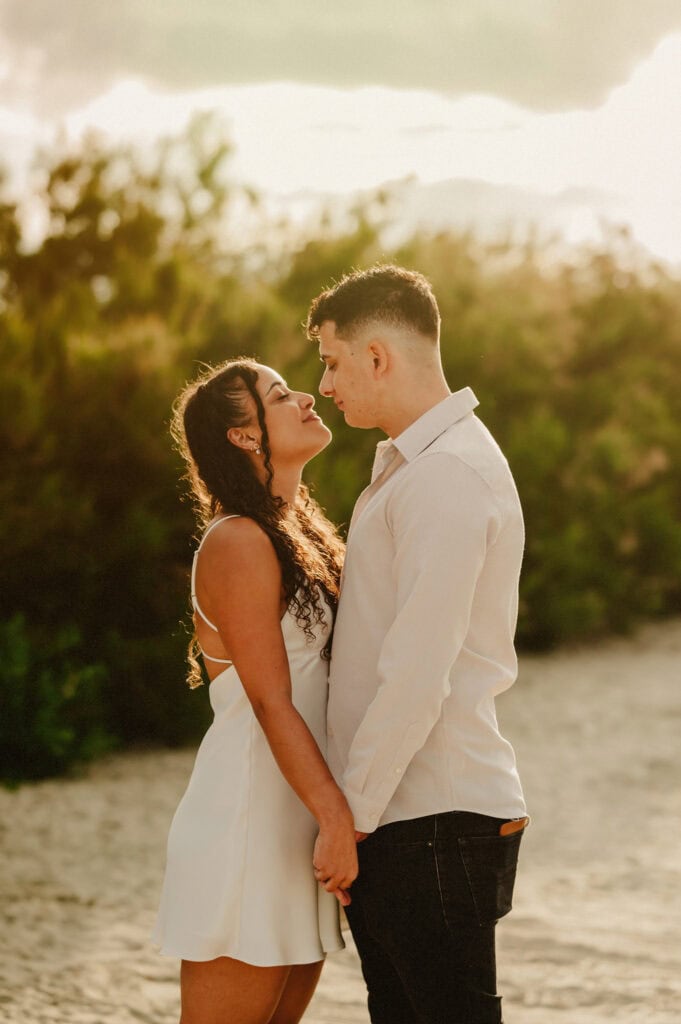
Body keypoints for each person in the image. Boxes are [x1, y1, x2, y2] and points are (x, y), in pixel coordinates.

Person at [306, 265, 529, 1024]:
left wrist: (352, 819)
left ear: (377, 355)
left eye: (332, 361)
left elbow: (417, 671)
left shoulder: (445, 475)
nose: (324, 385)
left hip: (428, 818)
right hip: (409, 817)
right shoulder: (420, 465)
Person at [152, 358, 358, 1024]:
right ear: (243, 436)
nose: (304, 396)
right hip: (249, 819)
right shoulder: (236, 540)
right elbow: (270, 700)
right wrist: (335, 817)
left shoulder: (303, 535)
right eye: (278, 395)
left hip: (295, 816)